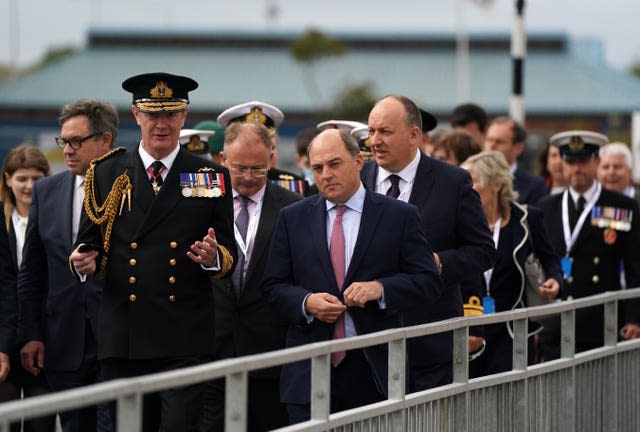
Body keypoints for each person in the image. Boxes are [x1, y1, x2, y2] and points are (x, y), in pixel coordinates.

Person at [69, 72, 236, 432]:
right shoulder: (107, 172)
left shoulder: (209, 176)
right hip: (124, 333)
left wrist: (212, 258)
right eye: (153, 114)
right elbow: (88, 243)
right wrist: (82, 262)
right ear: (136, 115)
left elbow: (228, 253)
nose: (162, 124)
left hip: (183, 333)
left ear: (184, 117)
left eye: (171, 115)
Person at [263, 128, 443, 424]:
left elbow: (428, 281)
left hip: (374, 368)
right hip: (309, 370)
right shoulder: (293, 217)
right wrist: (306, 302)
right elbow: (273, 286)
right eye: (317, 168)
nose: (325, 174)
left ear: (359, 161)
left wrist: (381, 289)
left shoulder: (399, 216)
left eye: (334, 164)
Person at [361, 94, 496, 391]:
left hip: (430, 340)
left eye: (385, 132)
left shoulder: (453, 182)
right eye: (371, 132)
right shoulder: (359, 179)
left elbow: (483, 251)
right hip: (367, 342)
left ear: (414, 136)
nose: (375, 141)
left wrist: (438, 262)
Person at [17, 100, 116, 432]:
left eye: (77, 141)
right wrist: (30, 334)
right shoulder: (46, 191)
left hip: (116, 338)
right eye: (64, 141)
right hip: (62, 341)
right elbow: (32, 271)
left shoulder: (130, 189)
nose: (68, 150)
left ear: (105, 140)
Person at [202, 121, 303, 431]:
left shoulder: (293, 206)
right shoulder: (199, 200)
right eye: (240, 168)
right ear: (222, 159)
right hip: (210, 345)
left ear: (272, 159)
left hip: (269, 352)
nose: (248, 177)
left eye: (258, 169)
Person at [538, 130, 640, 360]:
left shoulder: (622, 206)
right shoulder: (546, 207)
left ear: (596, 161)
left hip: (601, 321)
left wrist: (635, 317)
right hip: (557, 320)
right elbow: (538, 263)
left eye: (583, 161)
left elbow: (635, 266)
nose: (577, 168)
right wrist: (536, 320)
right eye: (570, 161)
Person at [460, 151, 562, 376]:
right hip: (470, 330)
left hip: (513, 330)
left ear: (496, 184)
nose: (466, 187)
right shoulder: (459, 222)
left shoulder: (527, 218)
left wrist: (555, 279)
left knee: (512, 401)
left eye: (473, 180)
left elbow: (550, 257)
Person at [0, 144, 53, 432]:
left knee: (41, 423)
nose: (29, 186)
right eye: (21, 178)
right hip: (2, 343)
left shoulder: (55, 218)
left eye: (36, 178)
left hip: (44, 341)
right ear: (7, 179)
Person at [218, 101, 310, 196]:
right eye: (240, 168)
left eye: (273, 147)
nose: (248, 177)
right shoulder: (211, 187)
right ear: (224, 158)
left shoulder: (293, 186)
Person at [484, 116, 548, 205]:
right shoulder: (474, 181)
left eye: (499, 142)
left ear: (518, 148)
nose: (491, 146)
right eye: (489, 140)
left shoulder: (534, 186)